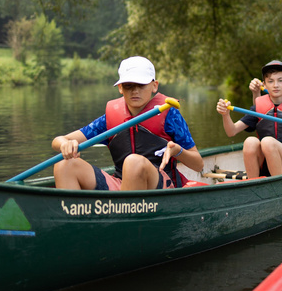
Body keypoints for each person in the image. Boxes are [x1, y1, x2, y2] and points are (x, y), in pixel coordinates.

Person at [52, 56, 204, 190]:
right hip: (122, 185)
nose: (135, 91)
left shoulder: (170, 115)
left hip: (162, 185)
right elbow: (58, 140)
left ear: (154, 85)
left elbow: (198, 165)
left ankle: (122, 218)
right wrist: (64, 145)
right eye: (128, 85)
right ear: (120, 88)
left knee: (133, 163)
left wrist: (178, 150)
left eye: (141, 84)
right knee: (64, 165)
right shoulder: (110, 118)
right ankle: (76, 220)